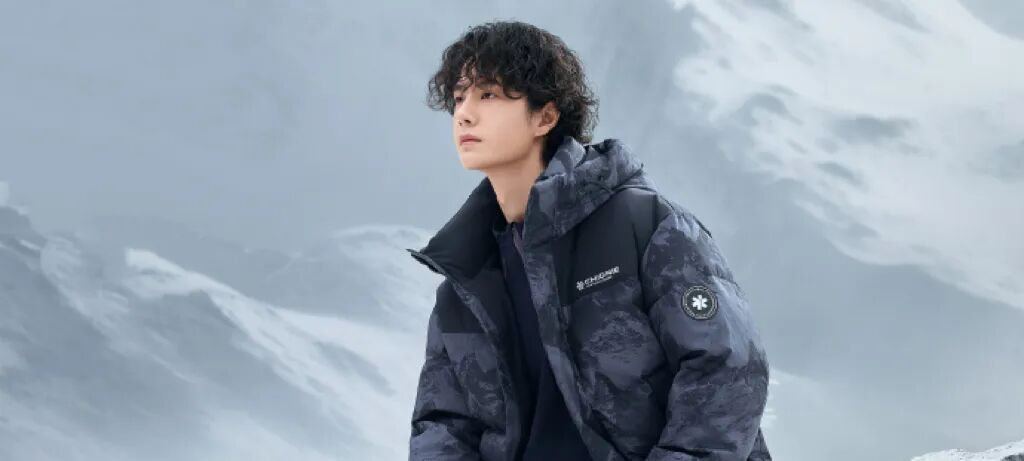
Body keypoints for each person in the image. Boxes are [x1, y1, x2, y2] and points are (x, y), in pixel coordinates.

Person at [407, 20, 772, 461]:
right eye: (459, 97)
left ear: (546, 116)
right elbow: (443, 423)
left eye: (488, 95)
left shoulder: (645, 226)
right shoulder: (465, 279)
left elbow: (728, 371)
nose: (464, 113)